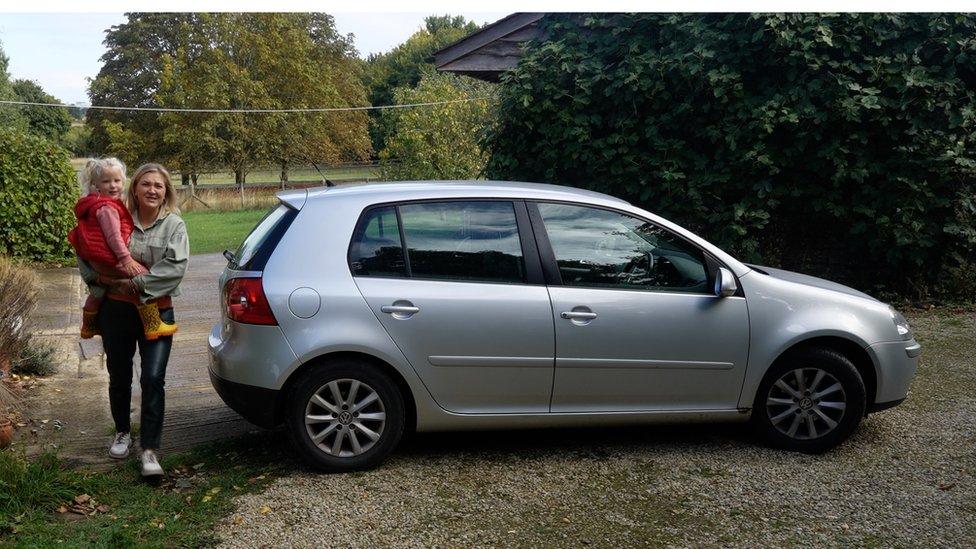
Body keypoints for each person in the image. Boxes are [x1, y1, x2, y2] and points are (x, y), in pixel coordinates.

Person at [77, 163, 189, 478]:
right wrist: (101, 279)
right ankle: (123, 431)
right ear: (135, 188)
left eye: (159, 186)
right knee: (119, 374)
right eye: (146, 184)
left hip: (157, 313)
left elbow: (175, 269)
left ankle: (150, 450)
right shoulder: (113, 214)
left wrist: (133, 283)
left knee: (152, 378)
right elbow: (86, 250)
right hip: (116, 312)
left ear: (166, 191)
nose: (153, 190)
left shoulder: (174, 226)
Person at [68, 158, 178, 341]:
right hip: (111, 259)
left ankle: (89, 324)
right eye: (106, 181)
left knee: (97, 292)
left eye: (117, 181)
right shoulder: (107, 208)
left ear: (124, 181)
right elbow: (113, 238)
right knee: (143, 277)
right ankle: (152, 324)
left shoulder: (91, 204)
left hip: (98, 261)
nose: (113, 186)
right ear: (95, 184)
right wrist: (126, 259)